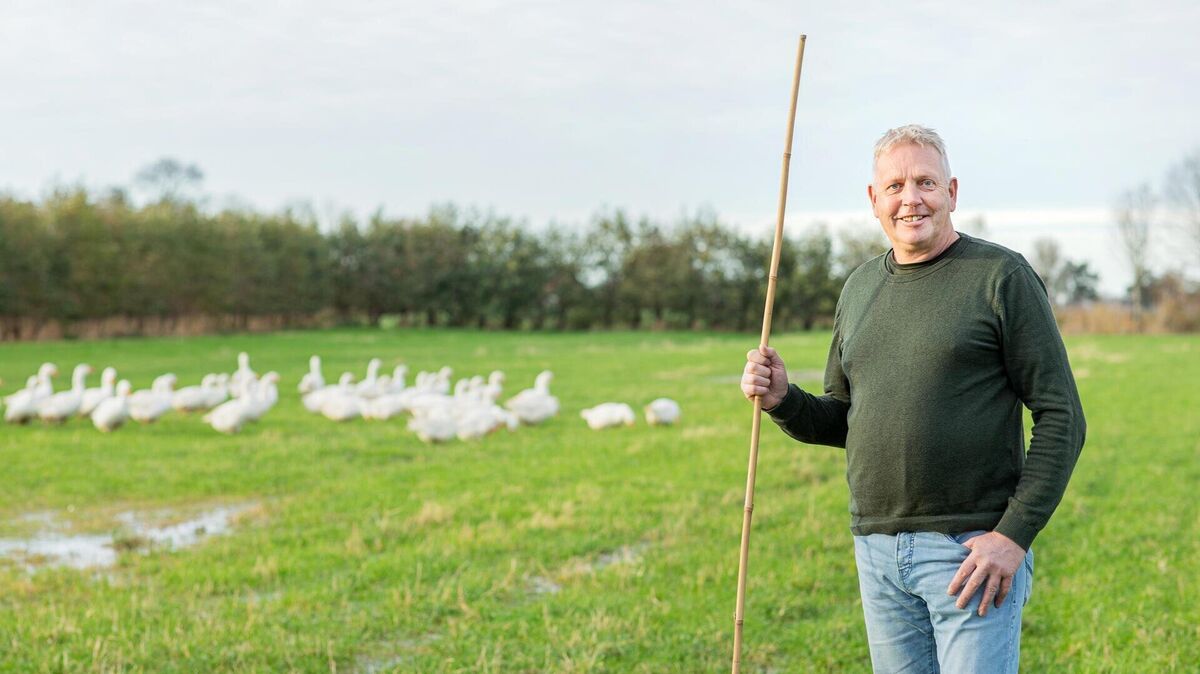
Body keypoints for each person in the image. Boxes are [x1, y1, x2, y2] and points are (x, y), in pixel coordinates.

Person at [741, 124, 1085, 673]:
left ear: (951, 192)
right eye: (895, 185)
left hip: (972, 552)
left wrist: (1012, 536)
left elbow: (1062, 415)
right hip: (878, 553)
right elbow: (846, 418)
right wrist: (784, 399)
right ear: (874, 200)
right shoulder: (858, 288)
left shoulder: (1001, 276)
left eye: (925, 182)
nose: (911, 198)